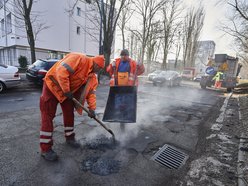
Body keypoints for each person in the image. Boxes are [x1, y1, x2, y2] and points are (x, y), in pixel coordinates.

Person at [40, 52, 105, 161]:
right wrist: (66, 90)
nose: (98, 71)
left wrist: (92, 109)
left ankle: (70, 138)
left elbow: (91, 94)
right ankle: (46, 149)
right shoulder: (78, 58)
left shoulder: (93, 77)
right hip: (52, 86)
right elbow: (61, 71)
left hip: (67, 93)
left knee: (69, 114)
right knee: (47, 116)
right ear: (96, 64)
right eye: (99, 68)